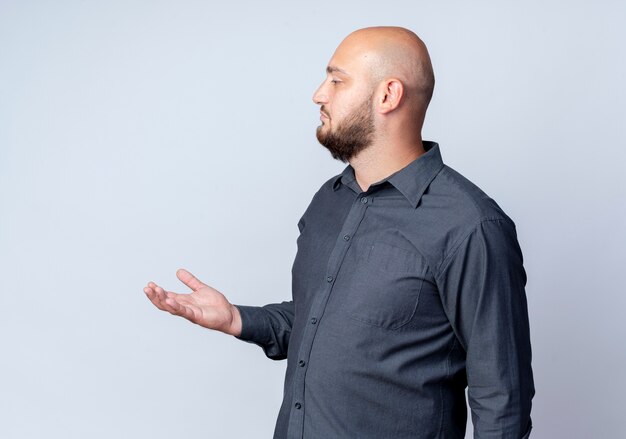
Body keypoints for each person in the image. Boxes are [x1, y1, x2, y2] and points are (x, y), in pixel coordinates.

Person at [143, 26, 534, 439]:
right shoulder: (328, 202)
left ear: (388, 95)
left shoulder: (471, 226)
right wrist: (237, 319)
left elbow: (502, 402)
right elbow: (325, 321)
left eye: (336, 80)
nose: (319, 94)